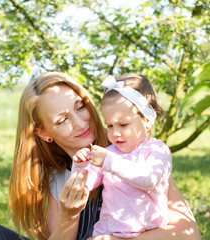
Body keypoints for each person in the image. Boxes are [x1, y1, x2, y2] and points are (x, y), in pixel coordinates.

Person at [0, 72, 201, 240]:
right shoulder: (52, 180)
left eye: (80, 106)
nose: (80, 123)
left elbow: (188, 234)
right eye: (62, 119)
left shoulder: (134, 154)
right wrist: (69, 214)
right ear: (44, 133)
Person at [72, 74, 172, 238]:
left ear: (147, 120)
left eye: (123, 124)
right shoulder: (110, 152)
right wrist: (81, 166)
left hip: (149, 233)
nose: (115, 133)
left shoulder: (157, 151)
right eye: (109, 125)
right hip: (108, 231)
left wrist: (108, 161)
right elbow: (87, 185)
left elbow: (148, 180)